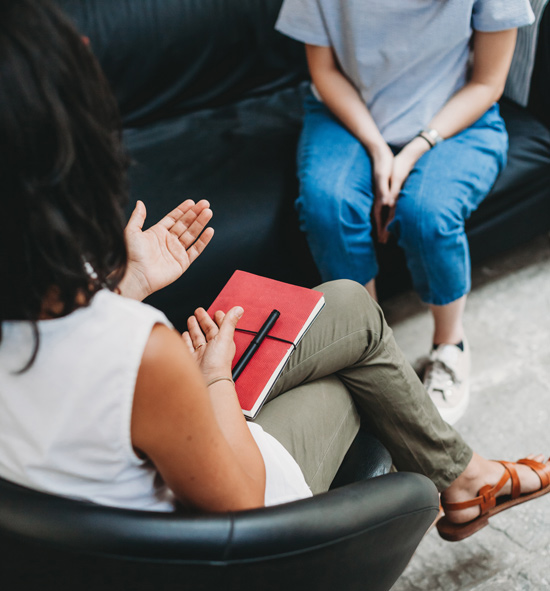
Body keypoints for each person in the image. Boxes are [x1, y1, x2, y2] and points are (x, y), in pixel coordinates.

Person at [0, 0, 548, 542]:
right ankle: (468, 483)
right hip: (226, 533)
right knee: (363, 378)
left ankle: (467, 480)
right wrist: (211, 376)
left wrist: (129, 285)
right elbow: (240, 504)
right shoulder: (146, 355)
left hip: (119, 486)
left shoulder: (46, 307)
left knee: (351, 308)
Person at [275, 0, 535, 425]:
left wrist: (415, 148)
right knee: (328, 208)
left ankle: (451, 345)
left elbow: (488, 83)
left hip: (455, 117)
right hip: (345, 112)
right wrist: (378, 150)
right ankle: (371, 353)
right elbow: (323, 71)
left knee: (426, 215)